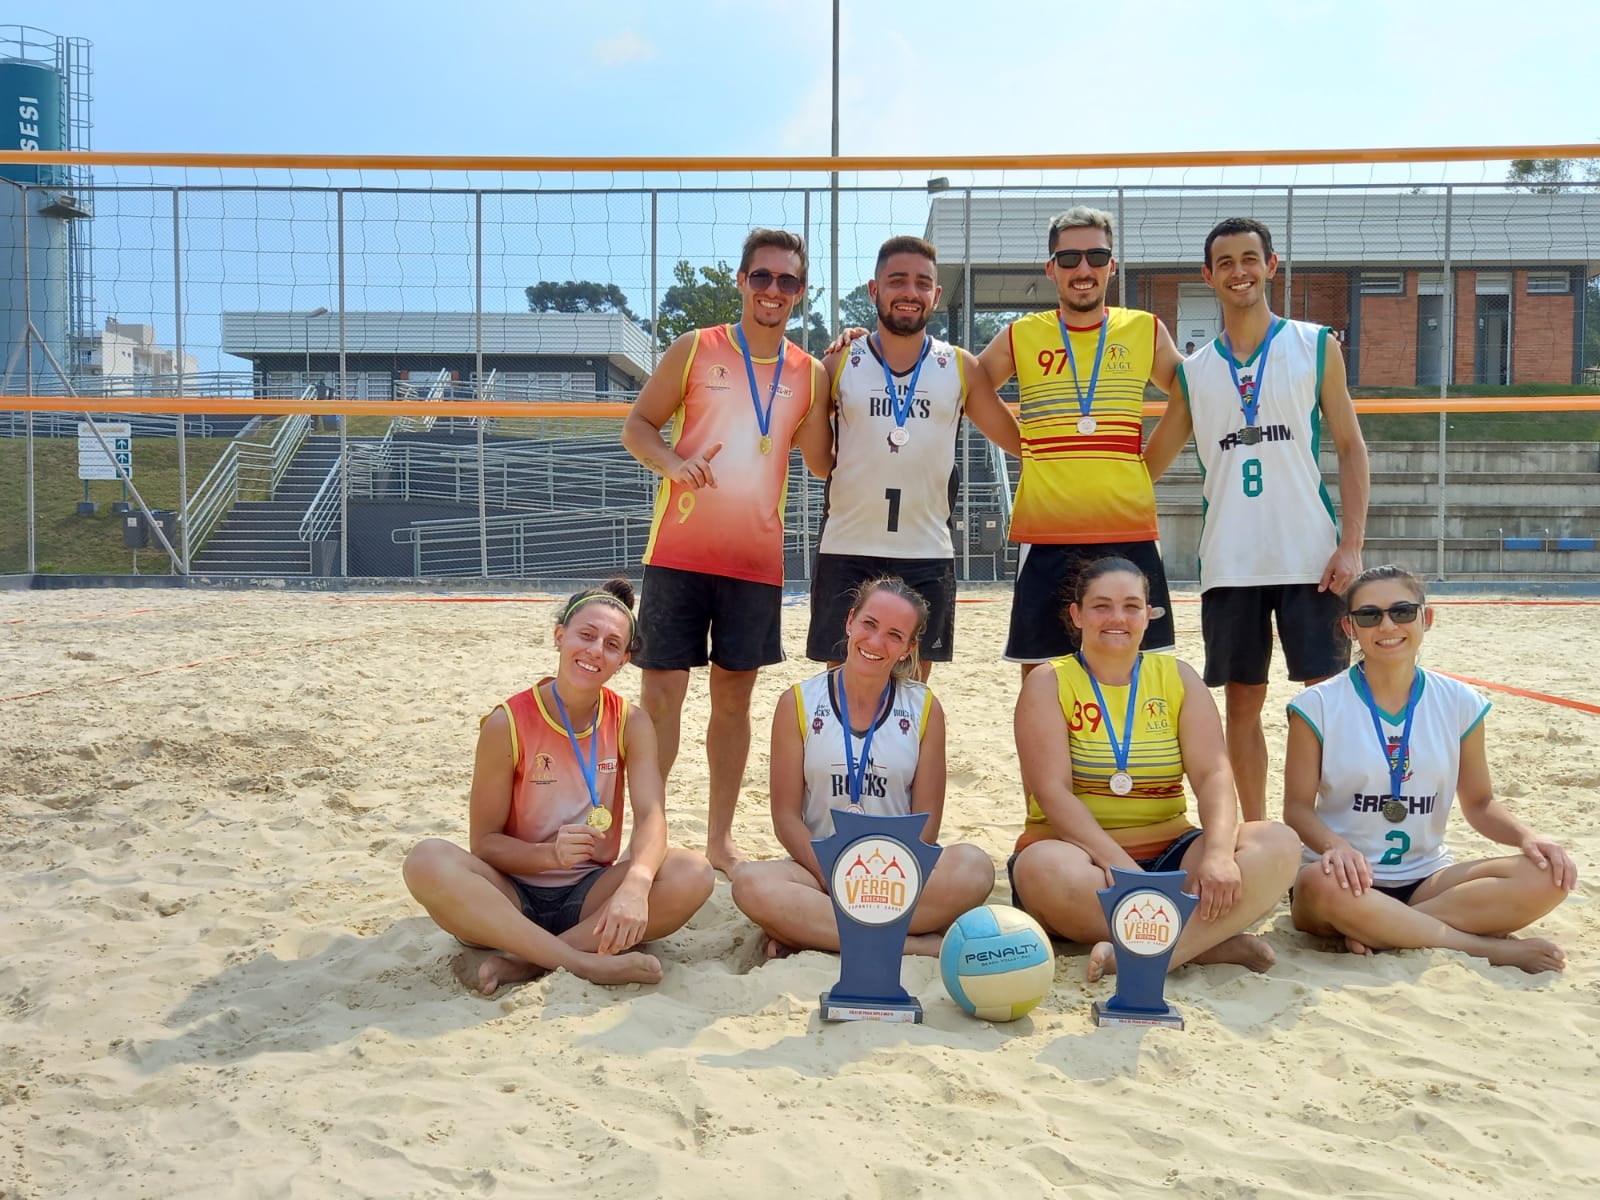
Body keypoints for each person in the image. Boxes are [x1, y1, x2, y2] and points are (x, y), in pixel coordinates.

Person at [1145, 216, 1370, 823]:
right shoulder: (1194, 372)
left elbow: (1351, 447)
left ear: (1271, 265)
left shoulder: (1315, 344)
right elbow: (1145, 468)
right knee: (1242, 706)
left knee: (1324, 704)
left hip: (1310, 557)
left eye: (1250, 258)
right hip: (1231, 563)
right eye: (1225, 262)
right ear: (1208, 275)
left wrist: (1351, 545)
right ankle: (1257, 832)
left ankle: (1326, 831)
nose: (1238, 271)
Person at [621, 228, 830, 876]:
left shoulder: (809, 373)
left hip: (754, 562)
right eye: (761, 276)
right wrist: (673, 463)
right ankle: (648, 835)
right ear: (741, 281)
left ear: (801, 291)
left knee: (733, 704)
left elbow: (823, 464)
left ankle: (718, 839)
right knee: (661, 699)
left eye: (787, 280)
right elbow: (637, 426)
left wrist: (849, 364)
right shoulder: (695, 348)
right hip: (678, 553)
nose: (773, 290)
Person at [401, 580, 714, 996]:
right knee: (426, 859)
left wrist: (637, 884)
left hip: (589, 896)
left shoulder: (630, 721)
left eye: (611, 644)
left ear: (624, 660)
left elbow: (653, 817)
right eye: (586, 635)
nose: (595, 650)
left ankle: (528, 962)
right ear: (560, 636)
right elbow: (485, 844)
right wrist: (549, 855)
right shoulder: (507, 722)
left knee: (693, 871)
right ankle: (584, 962)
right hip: (509, 896)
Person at [1009, 557, 1301, 981]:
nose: (1117, 618)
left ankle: (1150, 951)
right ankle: (1205, 945)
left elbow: (1213, 774)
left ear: (1148, 615)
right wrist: (1120, 867)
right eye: (1101, 606)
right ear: (1077, 615)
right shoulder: (1049, 681)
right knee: (1042, 869)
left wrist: (1218, 855)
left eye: (1131, 606)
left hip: (1172, 851)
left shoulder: (1177, 677)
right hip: (1082, 857)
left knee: (1279, 842)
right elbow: (1052, 792)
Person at [1283, 565, 1574, 974]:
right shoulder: (1317, 705)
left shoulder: (1459, 701)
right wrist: (1335, 846)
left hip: (1427, 881)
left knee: (1551, 875)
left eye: (1402, 611)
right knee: (1318, 883)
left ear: (1427, 618)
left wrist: (1529, 837)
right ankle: (1483, 948)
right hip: (1346, 879)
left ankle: (1383, 930)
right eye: (1369, 615)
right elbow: (1296, 809)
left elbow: (1480, 803)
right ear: (1350, 628)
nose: (1387, 625)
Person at [731, 577, 996, 957]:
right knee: (749, 883)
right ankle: (911, 945)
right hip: (819, 869)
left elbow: (926, 825)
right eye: (869, 624)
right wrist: (830, 874)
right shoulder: (798, 702)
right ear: (850, 621)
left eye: (894, 635)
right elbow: (786, 818)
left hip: (897, 871)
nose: (875, 642)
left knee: (975, 866)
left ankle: (818, 932)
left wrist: (879, 879)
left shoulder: (924, 707)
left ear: (908, 649)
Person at [976, 206, 1185, 674]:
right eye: (1069, 258)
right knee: (1042, 673)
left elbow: (1193, 393)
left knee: (1136, 672)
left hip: (1127, 531)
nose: (1083, 268)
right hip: (1047, 533)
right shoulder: (1022, 335)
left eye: (1097, 256)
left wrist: (1144, 468)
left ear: (1113, 265)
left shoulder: (1145, 329)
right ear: (1051, 268)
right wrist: (1027, 446)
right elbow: (967, 386)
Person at [807, 236, 1021, 679]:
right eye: (897, 280)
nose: (910, 292)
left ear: (936, 295)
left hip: (925, 551)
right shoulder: (839, 362)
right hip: (847, 547)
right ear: (874, 290)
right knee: (840, 684)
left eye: (922, 283)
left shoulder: (959, 366)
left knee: (912, 692)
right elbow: (818, 462)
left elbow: (1019, 441)